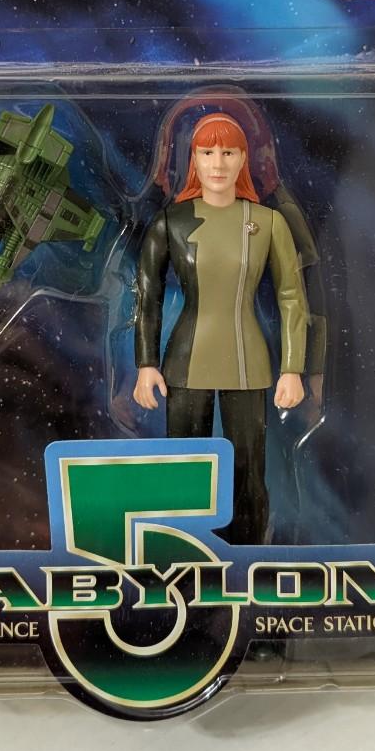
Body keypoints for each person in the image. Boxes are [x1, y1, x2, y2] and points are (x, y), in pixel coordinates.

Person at [133, 112, 307, 543]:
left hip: (248, 363)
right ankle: (180, 547)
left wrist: (292, 368)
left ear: (244, 158)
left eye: (228, 152)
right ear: (193, 158)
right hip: (185, 361)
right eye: (207, 152)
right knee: (183, 466)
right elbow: (147, 296)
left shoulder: (267, 223)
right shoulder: (171, 221)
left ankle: (248, 552)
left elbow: (291, 296)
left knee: (248, 471)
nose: (217, 163)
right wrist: (146, 364)